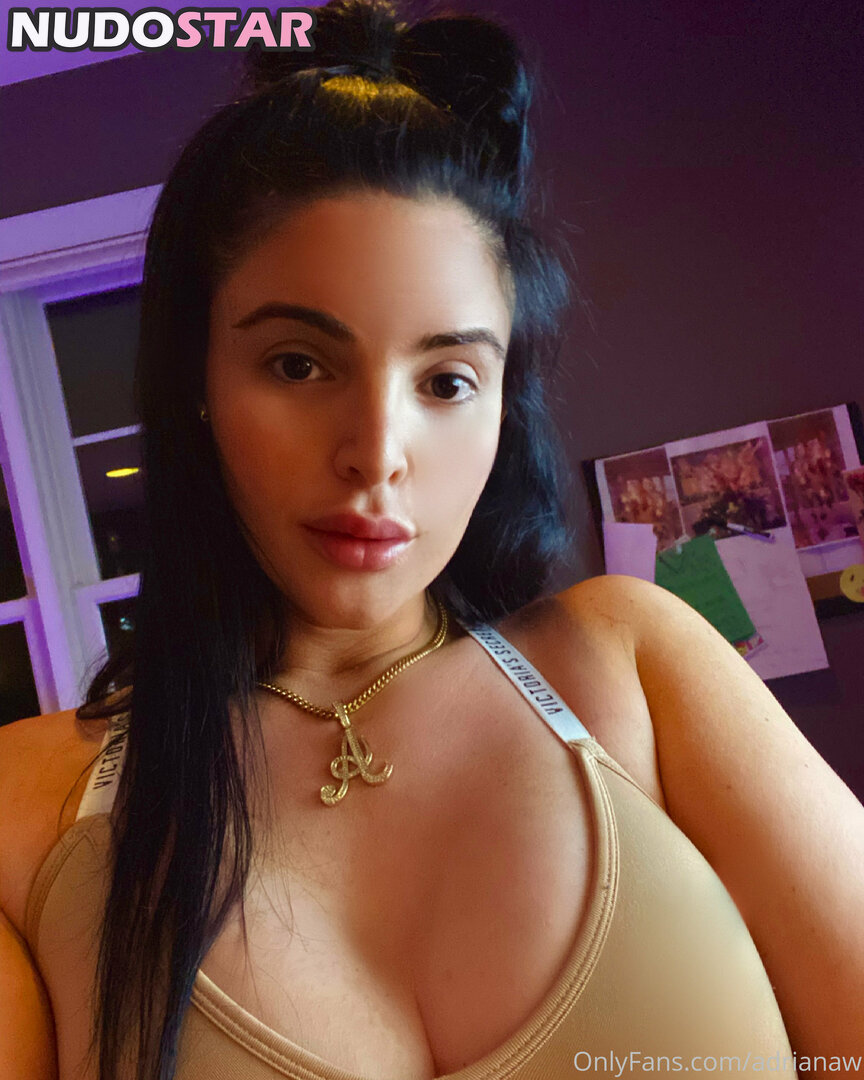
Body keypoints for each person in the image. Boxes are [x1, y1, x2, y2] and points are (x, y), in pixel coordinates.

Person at [2, 1, 863, 1077]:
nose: (377, 453)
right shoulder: (28, 808)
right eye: (298, 365)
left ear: (503, 405)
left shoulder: (632, 666)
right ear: (198, 383)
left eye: (447, 381)